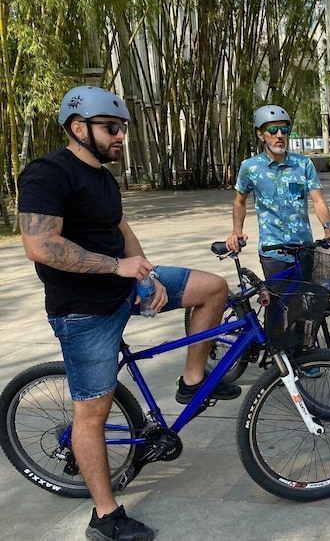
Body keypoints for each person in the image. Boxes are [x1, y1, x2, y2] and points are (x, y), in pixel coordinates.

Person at [18, 86, 236, 541]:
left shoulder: (101, 177)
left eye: (123, 130)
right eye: (111, 128)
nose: (120, 137)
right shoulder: (48, 173)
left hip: (124, 291)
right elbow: (40, 244)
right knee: (92, 413)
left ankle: (193, 378)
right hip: (84, 313)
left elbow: (120, 227)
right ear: (79, 129)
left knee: (214, 288)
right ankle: (104, 516)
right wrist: (118, 266)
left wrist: (146, 275)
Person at [226, 104, 330, 276]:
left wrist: (329, 228)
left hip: (304, 247)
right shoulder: (250, 167)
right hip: (273, 250)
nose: (279, 135)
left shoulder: (303, 164)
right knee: (280, 301)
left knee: (309, 300)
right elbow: (239, 201)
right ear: (260, 135)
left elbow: (318, 199)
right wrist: (237, 231)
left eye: (284, 130)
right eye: (273, 130)